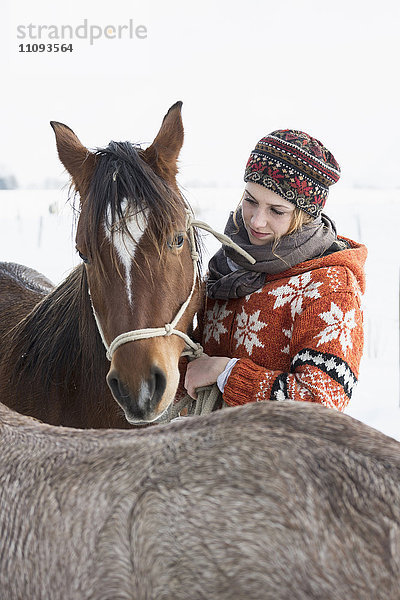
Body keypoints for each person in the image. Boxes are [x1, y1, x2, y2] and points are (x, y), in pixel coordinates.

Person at [184, 129, 367, 411]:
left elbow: (321, 406)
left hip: (277, 454)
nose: (257, 221)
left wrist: (226, 373)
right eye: (250, 200)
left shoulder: (329, 287)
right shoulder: (226, 265)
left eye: (277, 211)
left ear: (304, 213)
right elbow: (195, 358)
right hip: (206, 447)